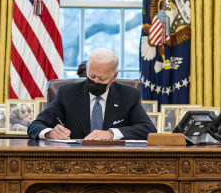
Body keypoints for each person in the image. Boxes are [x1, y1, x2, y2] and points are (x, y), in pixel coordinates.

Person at [27, 48, 156, 141]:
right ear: (87, 70)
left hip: (116, 161)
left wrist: (111, 134)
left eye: (102, 78)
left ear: (114, 76)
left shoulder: (128, 95)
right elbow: (35, 125)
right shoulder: (67, 93)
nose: (95, 82)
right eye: (91, 76)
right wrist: (50, 133)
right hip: (74, 161)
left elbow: (148, 129)